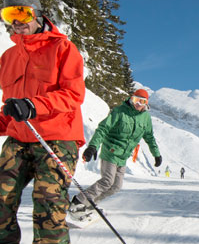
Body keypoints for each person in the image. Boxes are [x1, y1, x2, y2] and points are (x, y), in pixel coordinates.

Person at [0, 0, 86, 244]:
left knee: (47, 196)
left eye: (22, 13)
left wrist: (35, 106)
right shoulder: (9, 56)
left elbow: (74, 95)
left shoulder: (63, 49)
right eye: (10, 15)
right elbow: (12, 106)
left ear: (37, 14)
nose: (17, 21)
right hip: (20, 136)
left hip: (58, 137)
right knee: (0, 195)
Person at [69, 88, 161, 218]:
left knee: (116, 186)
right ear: (131, 99)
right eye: (135, 100)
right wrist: (93, 146)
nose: (137, 104)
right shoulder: (119, 112)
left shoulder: (145, 118)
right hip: (110, 151)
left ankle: (90, 204)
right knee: (107, 181)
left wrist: (156, 154)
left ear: (146, 104)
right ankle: (78, 201)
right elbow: (103, 129)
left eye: (141, 102)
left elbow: (149, 137)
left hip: (123, 156)